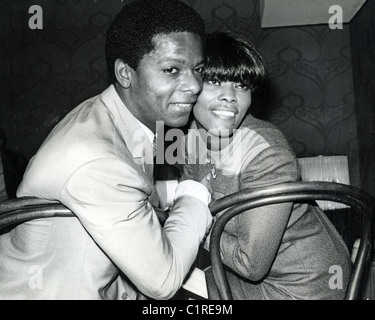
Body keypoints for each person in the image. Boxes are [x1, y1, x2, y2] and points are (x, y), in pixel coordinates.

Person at [0, 0, 213, 300]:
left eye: (198, 69)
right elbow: (163, 280)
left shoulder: (116, 117)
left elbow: (134, 204)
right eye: (172, 69)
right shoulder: (96, 156)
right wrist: (195, 192)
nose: (194, 85)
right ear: (125, 74)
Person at [163, 31, 352, 300]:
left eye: (241, 86)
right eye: (215, 81)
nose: (230, 97)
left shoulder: (267, 152)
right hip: (242, 278)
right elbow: (190, 192)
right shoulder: (192, 135)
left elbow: (250, 264)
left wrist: (186, 222)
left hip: (307, 283)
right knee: (155, 283)